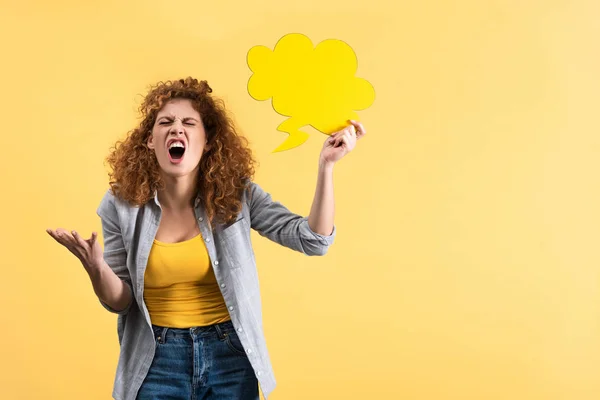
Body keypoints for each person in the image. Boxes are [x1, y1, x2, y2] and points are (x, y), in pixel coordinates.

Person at [46, 77, 366, 400]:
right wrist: (96, 267)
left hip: (229, 354)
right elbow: (120, 301)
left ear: (208, 140)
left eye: (189, 122)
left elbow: (314, 239)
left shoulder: (236, 196)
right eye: (165, 122)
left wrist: (326, 166)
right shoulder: (120, 205)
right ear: (149, 141)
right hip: (155, 358)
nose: (176, 129)